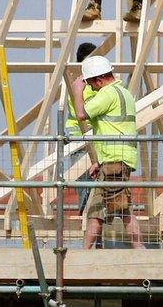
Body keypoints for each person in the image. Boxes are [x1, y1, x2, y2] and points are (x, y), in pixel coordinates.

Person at [72, 55, 143, 249]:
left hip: (114, 161)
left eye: (90, 84)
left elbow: (81, 114)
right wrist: (98, 162)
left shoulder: (107, 93)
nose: (91, 89)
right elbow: (112, 128)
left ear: (99, 80)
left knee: (106, 210)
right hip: (116, 160)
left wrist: (77, 91)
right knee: (117, 208)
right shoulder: (124, 93)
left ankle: (83, 255)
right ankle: (140, 251)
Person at [64, 41, 99, 212]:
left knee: (91, 184)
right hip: (79, 139)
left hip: (91, 138)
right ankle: (84, 217)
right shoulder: (80, 84)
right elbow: (81, 111)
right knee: (85, 185)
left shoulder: (88, 82)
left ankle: (88, 217)